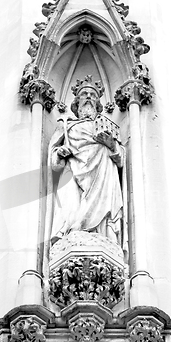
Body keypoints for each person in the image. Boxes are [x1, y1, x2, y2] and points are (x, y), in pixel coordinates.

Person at [48, 76, 125, 248]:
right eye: (84, 94)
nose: (89, 97)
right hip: (73, 174)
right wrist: (59, 153)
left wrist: (112, 146)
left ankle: (105, 237)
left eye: (92, 95)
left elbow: (121, 161)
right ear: (76, 102)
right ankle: (71, 235)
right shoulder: (66, 125)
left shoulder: (107, 126)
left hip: (104, 176)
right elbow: (53, 162)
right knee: (71, 212)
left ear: (98, 103)